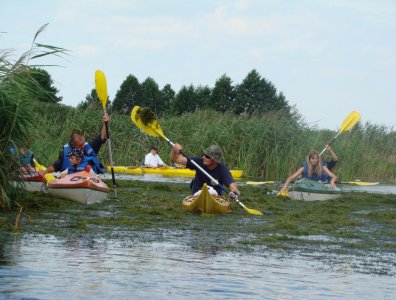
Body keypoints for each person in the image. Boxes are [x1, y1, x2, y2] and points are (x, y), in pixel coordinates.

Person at [40, 114, 110, 176]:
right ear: (73, 145)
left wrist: (105, 123)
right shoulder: (65, 153)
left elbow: (103, 137)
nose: (83, 147)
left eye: (83, 144)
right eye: (80, 146)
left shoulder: (89, 147)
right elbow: (55, 166)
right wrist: (45, 172)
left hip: (90, 178)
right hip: (72, 179)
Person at [170, 144, 240, 197]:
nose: (203, 157)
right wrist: (174, 150)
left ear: (214, 160)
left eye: (207, 156)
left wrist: (234, 192)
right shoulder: (198, 162)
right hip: (197, 195)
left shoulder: (223, 170)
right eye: (204, 154)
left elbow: (232, 185)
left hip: (215, 196)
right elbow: (176, 159)